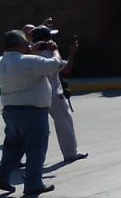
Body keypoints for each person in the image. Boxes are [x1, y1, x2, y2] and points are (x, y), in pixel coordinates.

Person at [0, 30, 65, 195]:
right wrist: (55, 50)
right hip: (33, 112)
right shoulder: (30, 61)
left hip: (10, 110)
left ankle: (2, 177)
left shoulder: (2, 62)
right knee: (36, 148)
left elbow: (24, 65)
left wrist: (31, 53)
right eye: (26, 43)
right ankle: (33, 183)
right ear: (19, 45)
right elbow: (55, 65)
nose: (29, 45)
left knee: (12, 147)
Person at [30, 26, 87, 164]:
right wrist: (71, 53)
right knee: (64, 124)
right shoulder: (50, 55)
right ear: (45, 40)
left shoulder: (29, 54)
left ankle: (30, 160)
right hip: (54, 95)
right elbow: (66, 68)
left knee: (34, 130)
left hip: (34, 96)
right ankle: (70, 153)